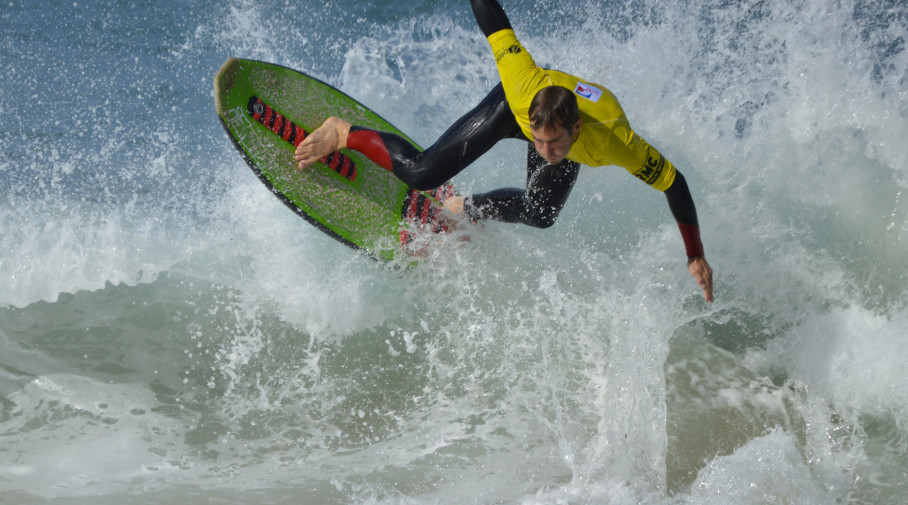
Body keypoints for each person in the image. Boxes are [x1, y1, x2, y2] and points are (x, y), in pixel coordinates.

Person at [295, 0, 714, 303]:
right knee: (422, 174)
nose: (545, 151)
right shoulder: (520, 83)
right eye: (540, 142)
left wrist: (694, 255)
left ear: (577, 130)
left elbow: (674, 183)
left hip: (562, 118)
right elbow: (493, 20)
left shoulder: (617, 142)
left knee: (540, 214)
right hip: (509, 111)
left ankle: (462, 207)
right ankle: (343, 132)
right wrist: (534, 131)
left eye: (555, 144)